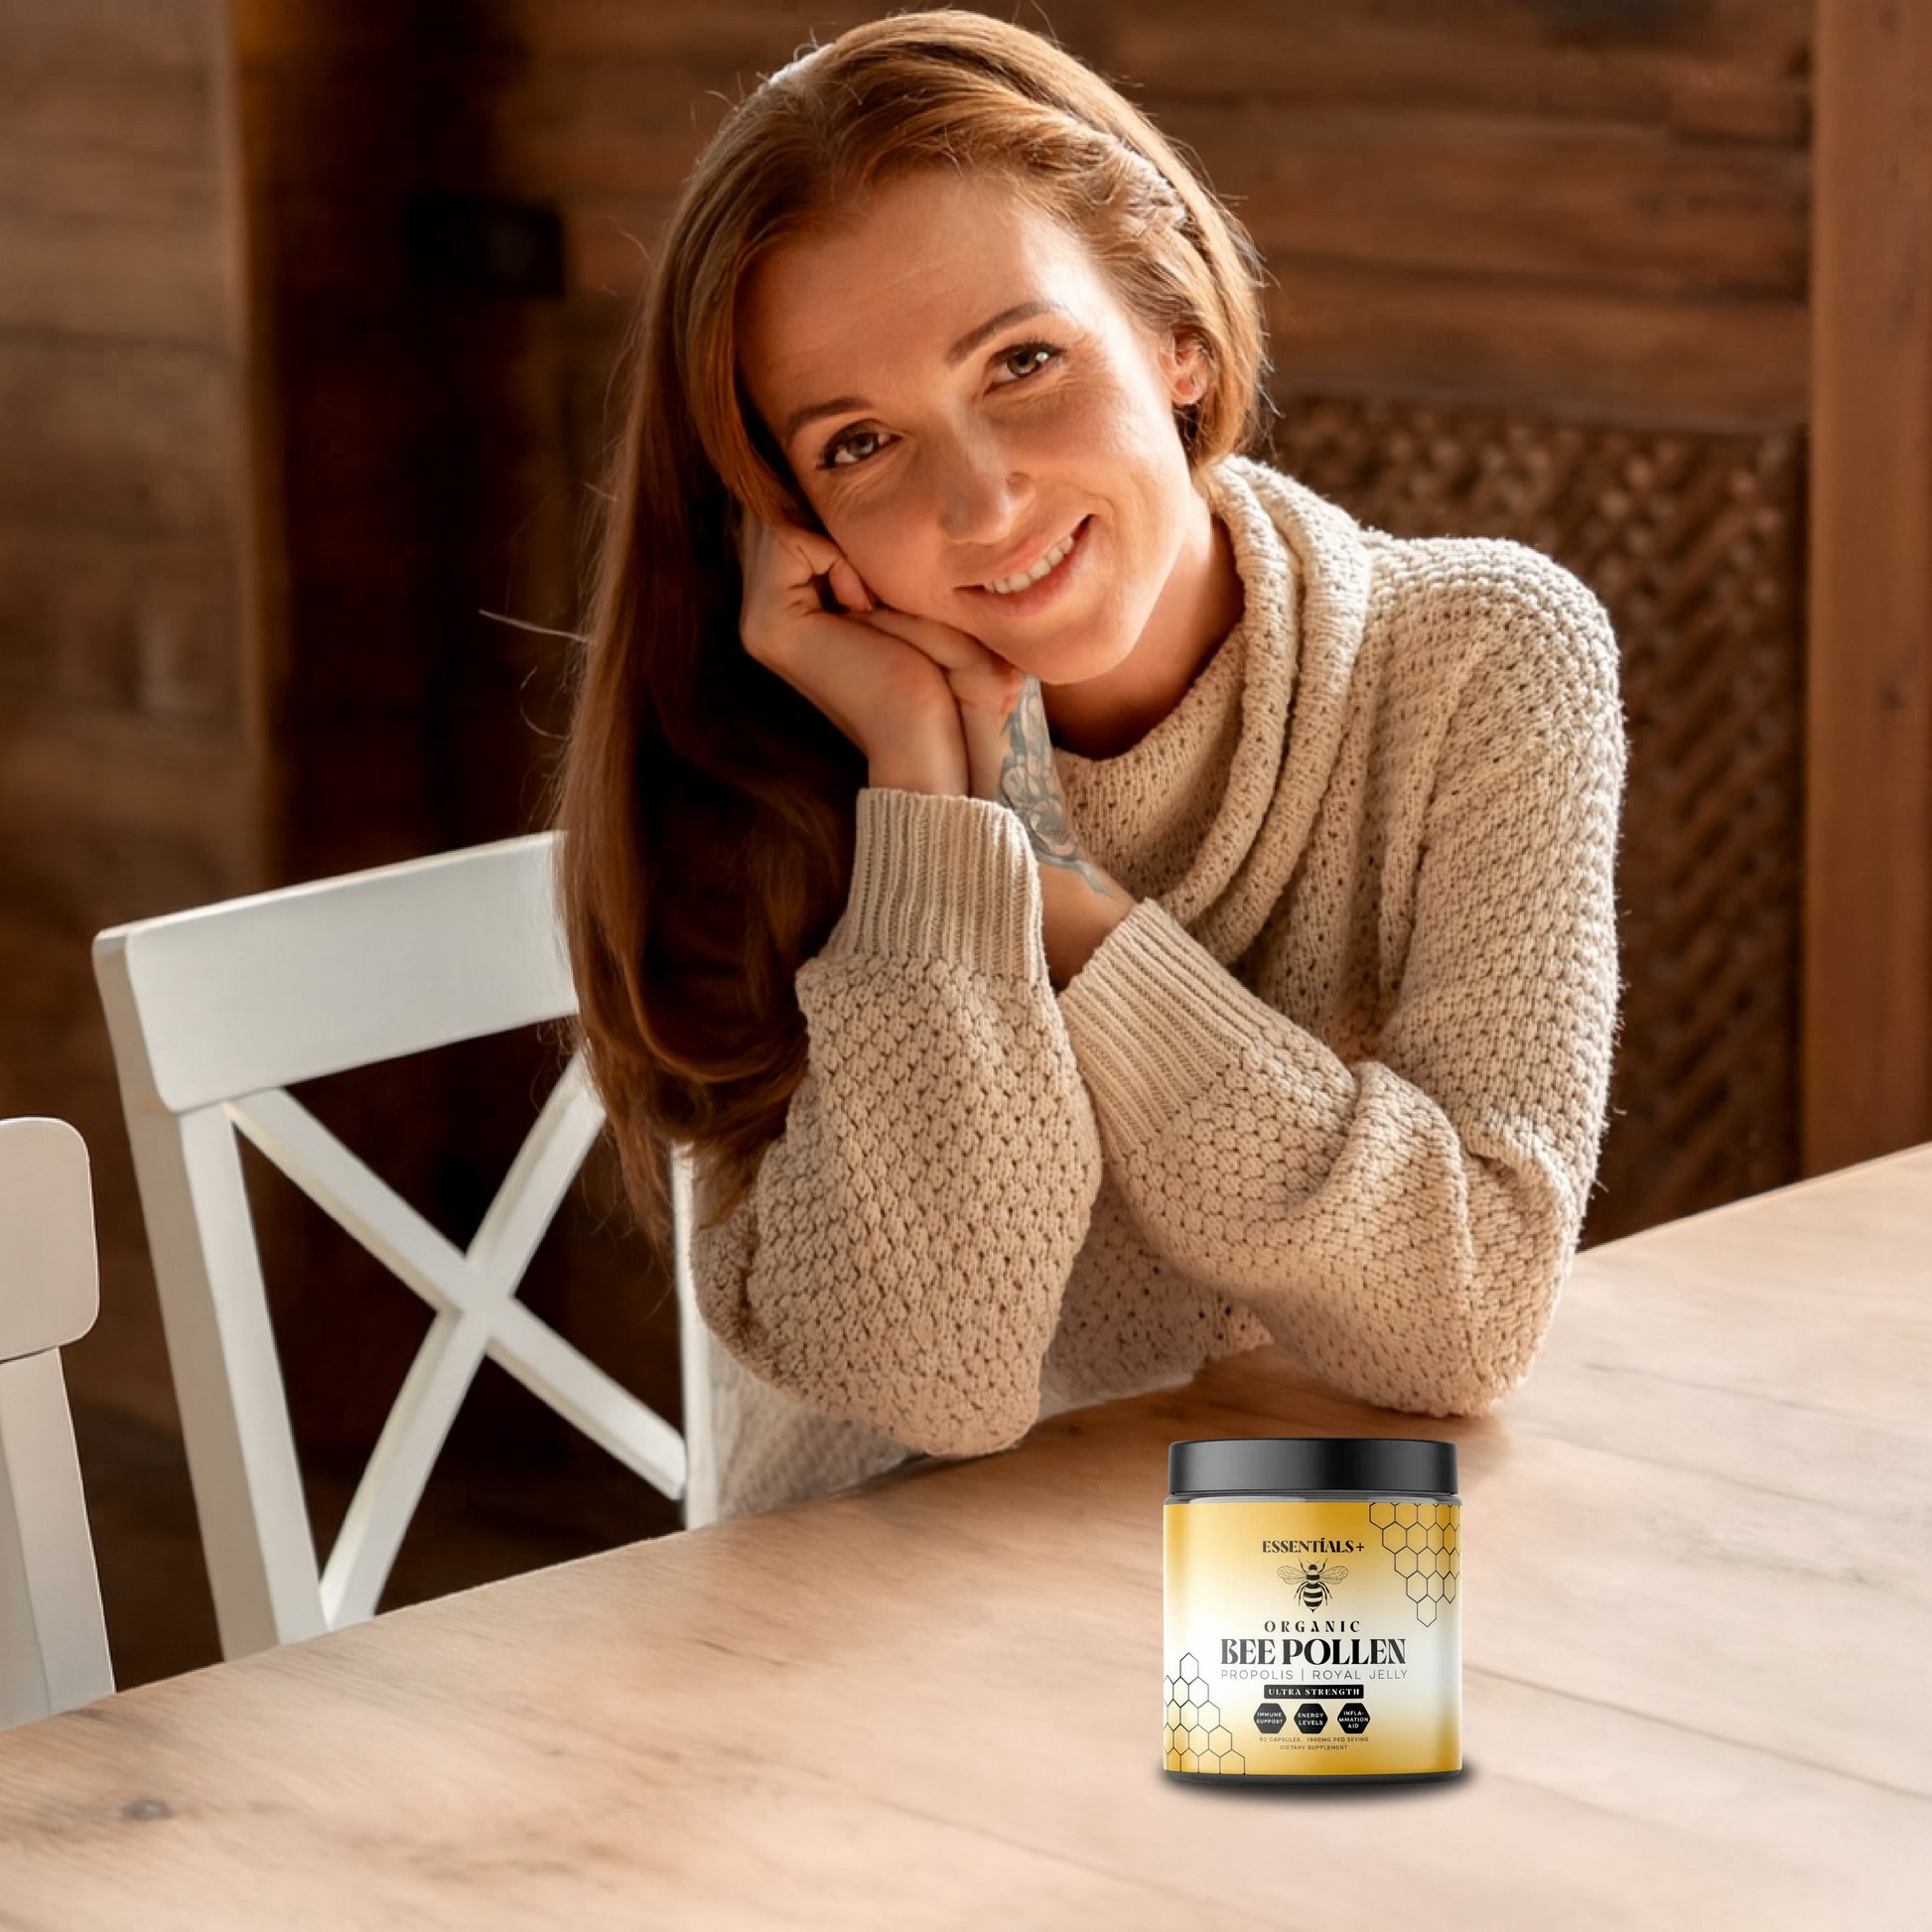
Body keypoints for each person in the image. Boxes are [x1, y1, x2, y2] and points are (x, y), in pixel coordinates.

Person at [554, 12, 1627, 1521]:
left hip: (1265, 1564)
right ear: (783, 514)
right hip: (842, 1645)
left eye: (1021, 361)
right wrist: (930, 802)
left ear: (1175, 334)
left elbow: (1459, 1317)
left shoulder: (1476, 662)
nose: (980, 502)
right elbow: (927, 1380)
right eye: (859, 443)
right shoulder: (768, 761)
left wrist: (1061, 897)